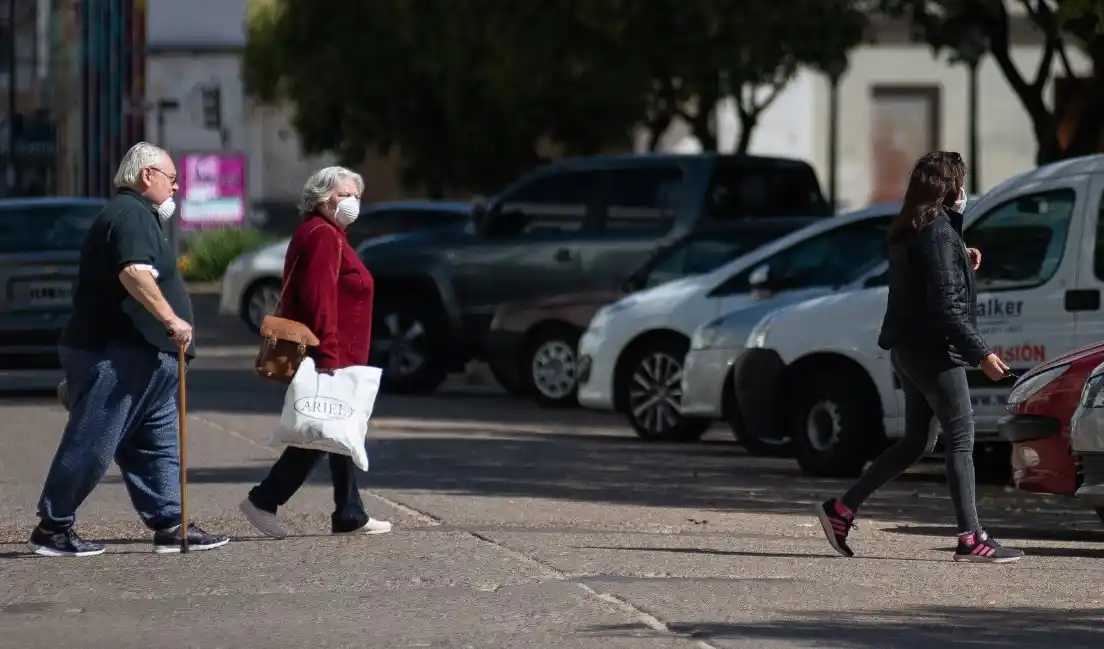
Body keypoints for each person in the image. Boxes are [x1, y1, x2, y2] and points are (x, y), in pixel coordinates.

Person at [816, 151, 1024, 564]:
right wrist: (981, 354)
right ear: (951, 188)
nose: (964, 191)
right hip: (934, 352)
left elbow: (929, 275)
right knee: (961, 438)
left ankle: (841, 509)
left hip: (909, 350)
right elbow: (946, 308)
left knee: (917, 441)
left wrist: (960, 252)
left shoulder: (915, 225)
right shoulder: (938, 232)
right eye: (961, 182)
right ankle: (971, 538)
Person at [28, 142, 230, 557]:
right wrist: (170, 319)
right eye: (172, 178)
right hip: (117, 353)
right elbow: (133, 272)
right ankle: (53, 527)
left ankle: (170, 523)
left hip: (148, 357)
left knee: (156, 446)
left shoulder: (139, 216)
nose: (177, 187)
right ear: (146, 176)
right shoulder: (129, 214)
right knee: (93, 440)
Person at [238, 166, 392, 539]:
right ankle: (264, 499)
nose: (351, 202)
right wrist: (329, 355)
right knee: (321, 431)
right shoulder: (323, 235)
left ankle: (350, 512)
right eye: (343, 194)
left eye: (356, 195)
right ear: (322, 197)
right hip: (331, 353)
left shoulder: (327, 233)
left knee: (339, 430)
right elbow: (318, 298)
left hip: (341, 352)